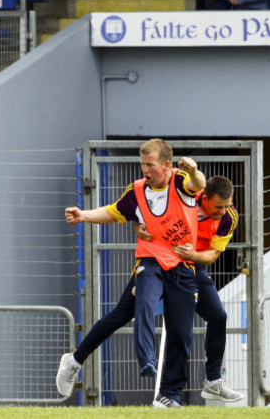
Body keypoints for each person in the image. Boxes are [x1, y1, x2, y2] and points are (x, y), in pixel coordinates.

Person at [56, 176, 244, 405]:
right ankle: (74, 360)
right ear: (203, 197)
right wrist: (137, 224)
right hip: (156, 263)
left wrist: (192, 256)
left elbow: (213, 255)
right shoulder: (185, 194)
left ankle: (212, 381)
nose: (223, 211)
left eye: (227, 205)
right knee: (120, 315)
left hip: (189, 268)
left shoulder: (229, 216)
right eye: (218, 207)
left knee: (218, 316)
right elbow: (140, 211)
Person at [62, 138, 206, 408]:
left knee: (181, 333)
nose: (145, 170)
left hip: (182, 266)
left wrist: (195, 169)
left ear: (167, 165)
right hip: (150, 261)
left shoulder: (181, 181)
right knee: (145, 301)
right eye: (142, 165)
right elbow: (114, 211)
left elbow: (199, 185)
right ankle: (146, 360)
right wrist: (83, 215)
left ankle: (169, 395)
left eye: (149, 164)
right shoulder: (137, 190)